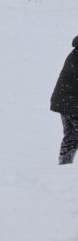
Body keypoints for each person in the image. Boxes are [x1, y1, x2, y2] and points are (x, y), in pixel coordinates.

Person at [49, 36, 78, 164]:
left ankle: (64, 167)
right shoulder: (76, 57)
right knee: (72, 136)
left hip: (64, 102)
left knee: (72, 136)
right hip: (71, 103)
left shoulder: (74, 54)